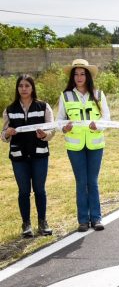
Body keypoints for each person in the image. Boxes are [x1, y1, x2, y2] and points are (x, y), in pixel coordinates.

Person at [58, 59, 110, 232]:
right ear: (72, 77)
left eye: (82, 74)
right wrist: (63, 128)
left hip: (95, 145)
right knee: (81, 182)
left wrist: (98, 125)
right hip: (75, 147)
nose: (79, 77)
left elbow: (106, 119)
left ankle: (96, 218)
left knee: (92, 182)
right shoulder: (65, 96)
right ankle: (82, 220)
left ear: (87, 76)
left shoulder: (98, 94)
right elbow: (59, 121)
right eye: (76, 74)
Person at [2, 75, 55, 237]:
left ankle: (43, 222)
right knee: (23, 191)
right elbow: (3, 135)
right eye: (21, 86)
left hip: (39, 155)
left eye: (27, 86)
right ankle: (26, 224)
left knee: (40, 190)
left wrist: (44, 135)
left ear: (32, 88)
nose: (23, 89)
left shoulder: (44, 107)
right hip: (19, 157)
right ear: (17, 89)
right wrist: (7, 133)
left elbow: (52, 130)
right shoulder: (9, 110)